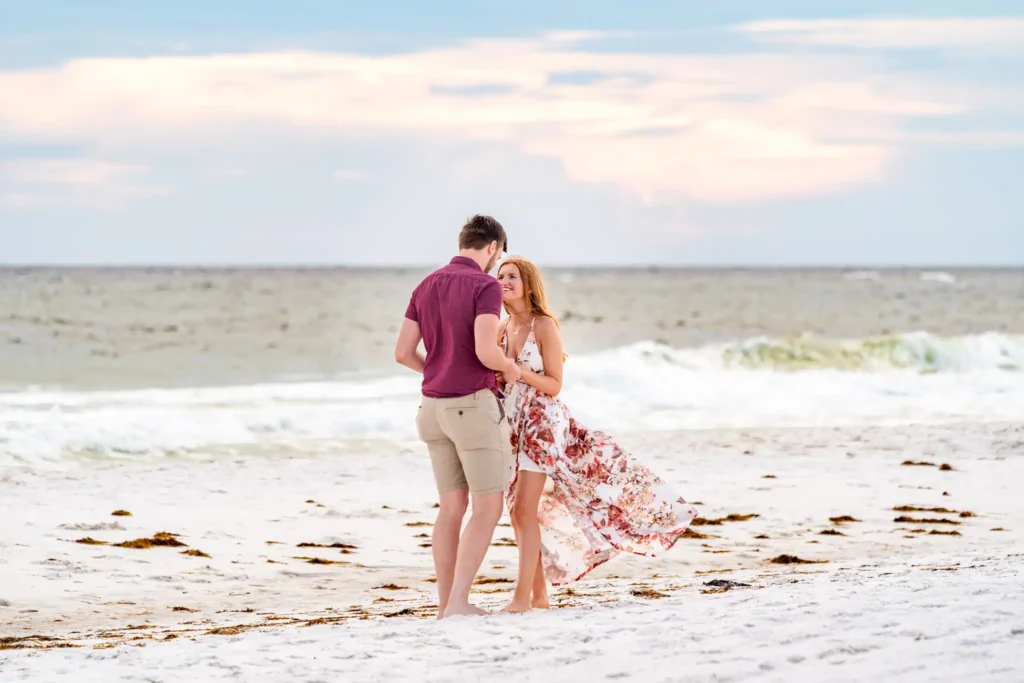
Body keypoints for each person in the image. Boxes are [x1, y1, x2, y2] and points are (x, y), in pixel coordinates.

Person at [495, 255, 699, 613]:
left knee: (523, 510)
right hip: (513, 425)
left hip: (543, 425)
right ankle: (539, 597)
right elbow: (502, 380)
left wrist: (518, 372)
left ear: (528, 284)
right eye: (500, 276)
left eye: (512, 276)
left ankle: (521, 599)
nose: (505, 282)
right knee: (517, 512)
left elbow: (554, 385)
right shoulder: (500, 328)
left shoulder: (544, 326)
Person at [394, 214, 521, 619]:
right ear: (493, 247)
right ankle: (459, 603)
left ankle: (445, 605)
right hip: (471, 407)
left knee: (451, 508)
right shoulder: (485, 285)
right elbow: (486, 351)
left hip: (431, 409)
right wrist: (510, 368)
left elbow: (402, 353)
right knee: (488, 508)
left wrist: (437, 371)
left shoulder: (425, 285)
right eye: (498, 254)